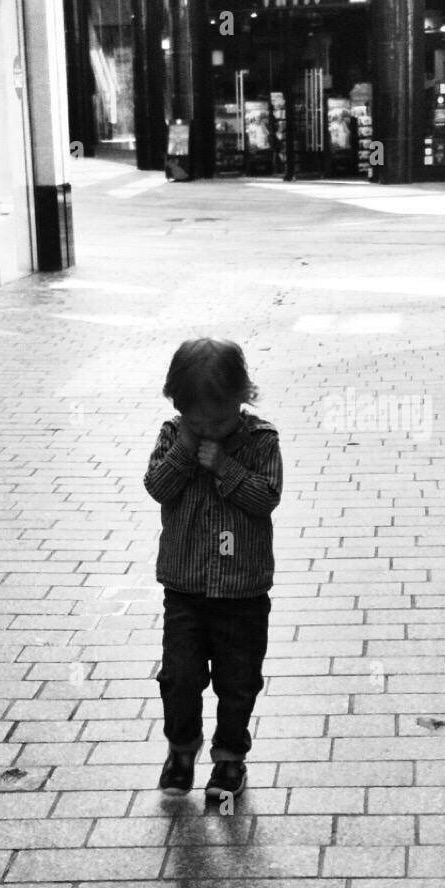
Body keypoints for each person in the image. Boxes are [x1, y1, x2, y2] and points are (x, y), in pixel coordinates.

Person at [144, 338, 282, 802]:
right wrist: (185, 451)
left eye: (219, 420)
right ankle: (181, 750)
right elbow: (158, 488)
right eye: (195, 420)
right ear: (178, 407)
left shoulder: (260, 440)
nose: (207, 431)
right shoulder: (172, 436)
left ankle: (229, 760)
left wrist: (224, 468)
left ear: (242, 399)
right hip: (185, 589)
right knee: (179, 676)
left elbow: (266, 499)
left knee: (237, 680)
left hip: (242, 592)